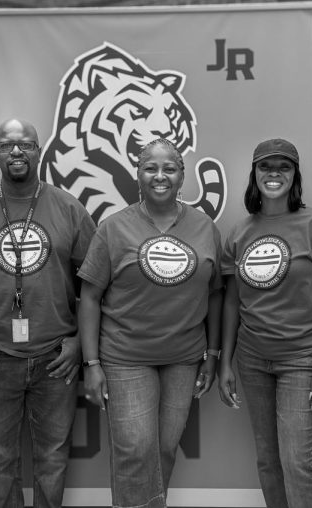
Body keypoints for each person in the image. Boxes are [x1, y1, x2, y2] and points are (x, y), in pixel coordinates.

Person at [0, 118, 94, 508]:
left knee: (52, 459)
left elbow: (93, 287)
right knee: (0, 460)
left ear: (38, 150)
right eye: (7, 144)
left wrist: (79, 342)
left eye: (26, 144)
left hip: (55, 359)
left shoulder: (69, 208)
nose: (16, 151)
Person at [78, 138, 222, 508]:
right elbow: (90, 298)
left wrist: (212, 352)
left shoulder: (204, 227)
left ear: (182, 175)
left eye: (169, 168)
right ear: (137, 174)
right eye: (150, 168)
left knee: (164, 449)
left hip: (184, 357)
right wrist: (91, 364)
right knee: (135, 451)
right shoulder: (112, 228)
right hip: (126, 357)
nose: (160, 176)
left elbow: (216, 292)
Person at [217, 138, 312, 508]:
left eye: (283, 167)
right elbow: (231, 301)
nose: (274, 173)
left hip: (303, 360)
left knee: (297, 463)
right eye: (265, 167)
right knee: (268, 462)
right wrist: (225, 361)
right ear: (254, 175)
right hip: (253, 361)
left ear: (295, 175)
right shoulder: (240, 232)